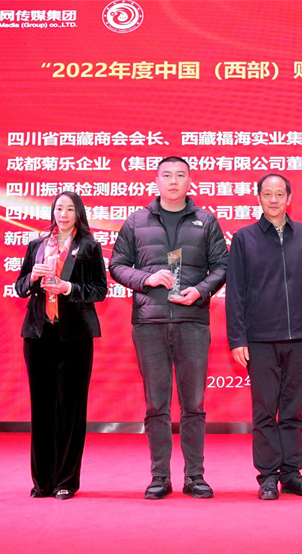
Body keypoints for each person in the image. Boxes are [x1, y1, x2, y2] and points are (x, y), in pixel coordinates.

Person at [109, 156, 228, 500]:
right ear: (156, 180)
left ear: (190, 181)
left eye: (180, 175)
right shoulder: (136, 221)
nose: (173, 181)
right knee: (155, 406)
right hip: (150, 323)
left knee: (194, 405)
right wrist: (145, 279)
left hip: (193, 323)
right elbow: (116, 265)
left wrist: (201, 291)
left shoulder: (206, 221)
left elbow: (222, 266)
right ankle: (159, 476)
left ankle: (195, 476)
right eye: (167, 175)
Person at [225, 173, 302, 500]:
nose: (273, 199)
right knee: (264, 410)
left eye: (279, 194)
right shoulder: (244, 238)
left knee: (292, 410)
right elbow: (235, 293)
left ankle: (292, 473)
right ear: (258, 198)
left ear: (289, 198)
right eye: (267, 194)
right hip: (260, 339)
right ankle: (268, 476)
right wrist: (238, 339)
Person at [15, 191, 108, 500]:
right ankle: (42, 481)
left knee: (70, 409)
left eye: (69, 209)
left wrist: (68, 286)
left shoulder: (89, 247)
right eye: (59, 209)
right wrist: (32, 277)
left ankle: (66, 480)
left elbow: (99, 290)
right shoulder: (37, 246)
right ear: (53, 213)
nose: (63, 214)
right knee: (41, 409)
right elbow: (19, 287)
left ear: (78, 213)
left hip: (75, 336)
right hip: (38, 335)